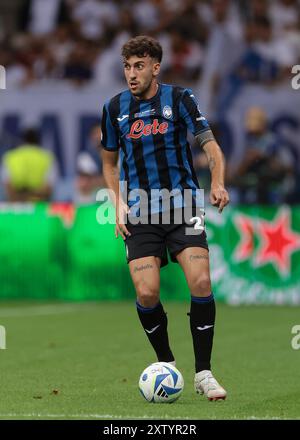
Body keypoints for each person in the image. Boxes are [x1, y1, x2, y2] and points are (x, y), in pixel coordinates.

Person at [101, 35, 230, 401]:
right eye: (127, 66)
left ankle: (204, 372)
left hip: (183, 206)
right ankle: (166, 365)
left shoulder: (181, 99)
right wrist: (118, 203)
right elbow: (109, 162)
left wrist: (217, 182)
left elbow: (211, 146)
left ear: (155, 67)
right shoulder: (114, 108)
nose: (131, 73)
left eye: (139, 66)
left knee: (201, 282)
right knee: (146, 291)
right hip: (140, 211)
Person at [1, 128, 57, 202]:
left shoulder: (10, 157)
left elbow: (8, 186)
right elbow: (48, 188)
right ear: (38, 141)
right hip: (39, 207)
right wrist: (32, 196)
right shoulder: (47, 157)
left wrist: (20, 198)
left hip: (15, 206)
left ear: (22, 140)